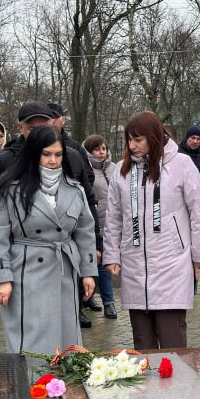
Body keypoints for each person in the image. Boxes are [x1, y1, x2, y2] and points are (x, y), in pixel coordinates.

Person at [0, 126, 97, 355]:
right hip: (26, 273)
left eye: (58, 154)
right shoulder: (7, 189)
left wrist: (88, 271)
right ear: (34, 153)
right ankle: (32, 386)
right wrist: (1, 278)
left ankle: (64, 386)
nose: (53, 160)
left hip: (64, 270)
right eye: (46, 154)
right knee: (32, 341)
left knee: (67, 341)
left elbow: (85, 230)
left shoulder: (75, 189)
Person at [102, 111, 200, 349]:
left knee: (173, 341)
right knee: (143, 343)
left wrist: (199, 254)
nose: (132, 146)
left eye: (138, 139)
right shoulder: (121, 171)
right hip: (135, 265)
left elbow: (199, 212)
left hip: (172, 264)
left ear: (153, 136)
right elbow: (114, 218)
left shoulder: (181, 165)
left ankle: (180, 386)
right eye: (129, 140)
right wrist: (111, 254)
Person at [47, 101, 103, 325]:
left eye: (55, 117)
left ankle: (78, 307)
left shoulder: (74, 150)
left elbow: (87, 188)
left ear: (62, 120)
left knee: (75, 269)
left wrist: (96, 242)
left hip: (70, 224)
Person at [83, 134, 118, 319]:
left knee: (105, 264)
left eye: (104, 148)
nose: (101, 152)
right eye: (97, 149)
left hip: (112, 226)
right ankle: (99, 300)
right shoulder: (86, 170)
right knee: (94, 264)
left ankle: (108, 302)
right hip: (93, 226)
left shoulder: (115, 169)